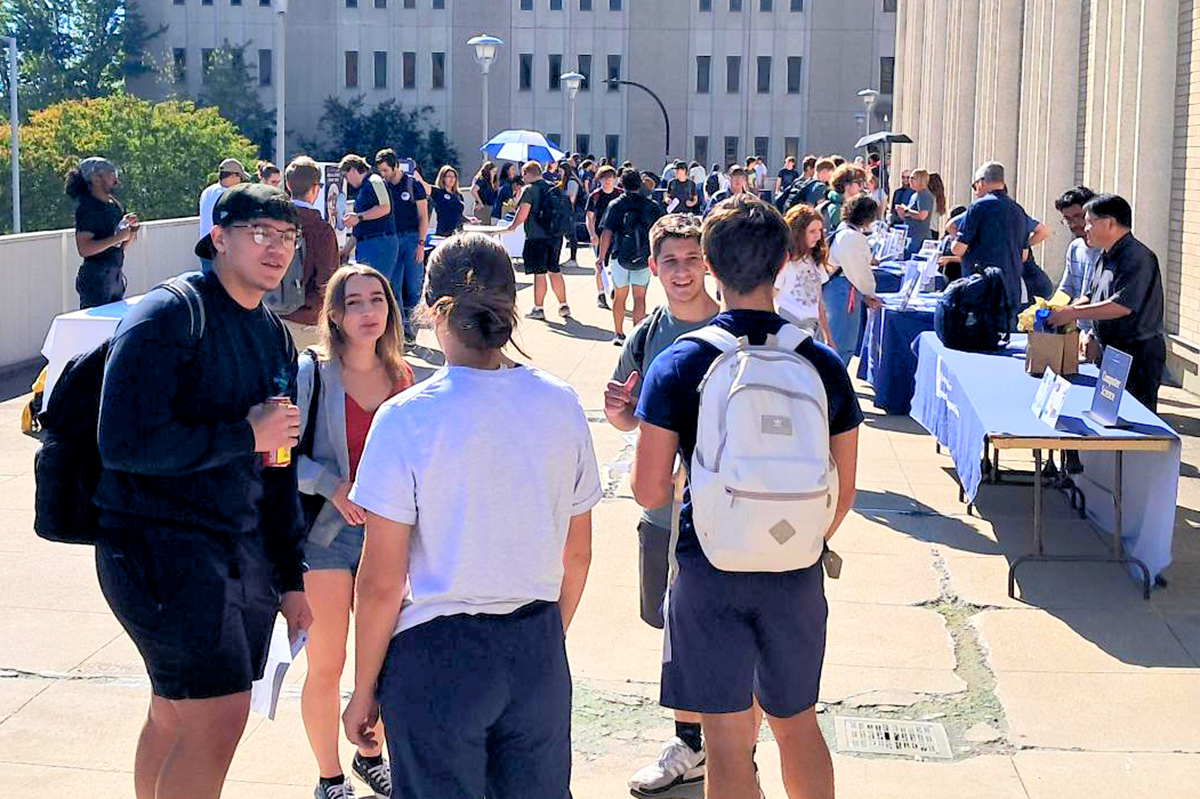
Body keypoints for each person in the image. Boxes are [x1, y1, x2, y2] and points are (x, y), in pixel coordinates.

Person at [342, 232, 601, 799]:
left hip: (437, 656)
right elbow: (577, 554)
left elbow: (382, 581)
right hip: (534, 644)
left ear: (434, 311)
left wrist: (364, 688)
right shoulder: (560, 403)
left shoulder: (406, 418)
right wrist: (539, 641)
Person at [631, 194, 861, 799]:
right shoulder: (822, 363)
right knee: (797, 724)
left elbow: (648, 488)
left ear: (709, 263)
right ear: (785, 262)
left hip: (710, 567)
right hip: (795, 569)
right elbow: (846, 491)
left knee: (729, 744)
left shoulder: (683, 361)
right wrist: (791, 532)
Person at [95, 183, 313, 799]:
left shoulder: (272, 334)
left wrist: (290, 577)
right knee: (215, 716)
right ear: (218, 238)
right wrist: (242, 434)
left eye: (287, 237)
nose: (276, 249)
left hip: (230, 553)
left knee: (175, 712)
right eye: (259, 234)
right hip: (155, 550)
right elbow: (124, 444)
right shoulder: (167, 315)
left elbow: (277, 465)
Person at [603, 215, 719, 797]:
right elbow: (624, 415)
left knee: (714, 626)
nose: (681, 271)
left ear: (708, 262)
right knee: (673, 627)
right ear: (651, 267)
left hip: (721, 516)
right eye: (669, 261)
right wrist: (619, 411)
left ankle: (713, 744)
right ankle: (695, 742)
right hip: (659, 512)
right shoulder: (647, 333)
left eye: (691, 258)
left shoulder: (733, 330)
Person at [297, 263, 414, 799]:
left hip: (387, 543)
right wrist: (331, 485)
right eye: (355, 303)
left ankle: (371, 754)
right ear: (335, 316)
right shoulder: (313, 374)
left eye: (377, 300)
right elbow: (279, 456)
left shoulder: (402, 376)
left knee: (382, 662)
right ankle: (329, 775)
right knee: (328, 663)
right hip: (324, 540)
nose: (368, 312)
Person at [1047, 194, 1167, 412]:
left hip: (1136, 354)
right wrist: (1065, 310)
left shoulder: (1138, 257)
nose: (1086, 228)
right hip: (1109, 351)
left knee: (1134, 420)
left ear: (1109, 223)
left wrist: (1073, 313)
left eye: (1090, 222)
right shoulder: (1106, 254)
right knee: (1107, 416)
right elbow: (1092, 294)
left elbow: (1120, 305)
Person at [950, 161, 1041, 321]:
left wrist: (952, 240)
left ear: (982, 182)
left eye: (975, 185)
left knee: (976, 339)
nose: (976, 190)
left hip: (980, 290)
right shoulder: (1018, 210)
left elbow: (958, 249)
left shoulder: (978, 207)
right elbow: (1024, 255)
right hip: (1010, 290)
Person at [599, 170, 666, 344]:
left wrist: (601, 257)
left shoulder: (616, 204)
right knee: (639, 297)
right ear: (640, 184)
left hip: (620, 255)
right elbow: (662, 230)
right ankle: (636, 337)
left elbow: (607, 231)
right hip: (643, 257)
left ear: (622, 184)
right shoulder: (651, 206)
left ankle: (618, 334)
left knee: (619, 296)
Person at [282, 157, 342, 351]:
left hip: (270, 315)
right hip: (307, 319)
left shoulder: (270, 223)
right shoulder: (321, 229)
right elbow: (328, 282)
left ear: (288, 185)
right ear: (316, 189)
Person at [67, 157, 138, 308]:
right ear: (96, 178)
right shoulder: (87, 208)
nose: (114, 176)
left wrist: (130, 230)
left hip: (116, 274)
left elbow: (121, 245)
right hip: (96, 278)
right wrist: (117, 237)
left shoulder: (114, 205)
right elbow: (84, 249)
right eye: (110, 172)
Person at [505, 160, 571, 320]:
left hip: (537, 236)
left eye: (523, 175)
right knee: (554, 270)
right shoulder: (553, 187)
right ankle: (563, 305)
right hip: (555, 235)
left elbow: (523, 212)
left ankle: (538, 308)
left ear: (527, 173)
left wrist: (513, 226)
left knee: (539, 273)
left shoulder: (529, 189)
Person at [375, 150, 429, 342]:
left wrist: (421, 244)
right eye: (380, 170)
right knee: (393, 286)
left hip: (412, 238)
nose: (383, 174)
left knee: (413, 287)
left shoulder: (413, 185)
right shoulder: (383, 186)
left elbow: (424, 216)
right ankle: (400, 331)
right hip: (392, 239)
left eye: (385, 170)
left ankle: (412, 330)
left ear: (395, 166)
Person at [825, 194, 883, 364]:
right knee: (843, 342)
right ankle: (835, 386)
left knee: (836, 340)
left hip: (837, 289)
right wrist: (870, 293)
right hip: (844, 291)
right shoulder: (852, 237)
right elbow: (859, 271)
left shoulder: (843, 230)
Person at [776, 203, 834, 343]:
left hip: (812, 330)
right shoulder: (784, 262)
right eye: (812, 231)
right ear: (799, 233)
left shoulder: (815, 259)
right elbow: (770, 296)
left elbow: (818, 301)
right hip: (788, 329)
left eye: (820, 230)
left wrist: (828, 336)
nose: (818, 236)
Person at [339, 153, 397, 279]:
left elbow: (385, 207)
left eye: (346, 176)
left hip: (379, 242)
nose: (346, 181)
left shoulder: (375, 181)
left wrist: (359, 217)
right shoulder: (362, 189)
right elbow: (358, 229)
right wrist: (345, 251)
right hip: (367, 244)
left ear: (353, 170)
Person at [1054, 186, 1102, 308]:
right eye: (1068, 219)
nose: (1073, 224)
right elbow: (1065, 290)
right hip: (1079, 324)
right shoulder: (1075, 248)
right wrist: (1047, 310)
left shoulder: (1108, 249)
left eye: (1078, 216)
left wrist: (1071, 311)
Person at [198, 158, 250, 271]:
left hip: (205, 247)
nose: (240, 182)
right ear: (233, 176)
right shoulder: (227, 195)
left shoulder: (207, 191)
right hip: (221, 249)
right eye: (240, 177)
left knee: (209, 283)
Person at [586, 165, 624, 309]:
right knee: (599, 265)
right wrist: (592, 234)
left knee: (616, 265)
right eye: (605, 177)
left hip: (617, 234)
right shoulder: (595, 196)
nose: (608, 180)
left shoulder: (620, 194)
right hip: (600, 234)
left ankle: (614, 290)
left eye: (610, 177)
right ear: (600, 179)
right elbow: (589, 217)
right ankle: (601, 294)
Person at [895, 168, 936, 257]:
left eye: (913, 178)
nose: (910, 180)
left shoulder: (924, 195)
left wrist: (906, 211)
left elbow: (922, 215)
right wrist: (901, 212)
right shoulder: (914, 195)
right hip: (910, 234)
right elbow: (908, 217)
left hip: (919, 238)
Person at [820, 164, 867, 232]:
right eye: (859, 183)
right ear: (846, 184)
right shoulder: (837, 209)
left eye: (863, 183)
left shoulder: (849, 205)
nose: (862, 187)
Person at [430, 166, 474, 237]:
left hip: (458, 233)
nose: (452, 179)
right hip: (444, 233)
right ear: (443, 178)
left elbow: (458, 215)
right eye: (449, 176)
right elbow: (424, 186)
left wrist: (469, 219)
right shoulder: (438, 193)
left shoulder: (459, 195)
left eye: (454, 177)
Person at [560, 161, 584, 267]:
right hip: (568, 212)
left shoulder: (572, 182)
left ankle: (573, 259)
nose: (559, 173)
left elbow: (571, 198)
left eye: (561, 171)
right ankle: (571, 259)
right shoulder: (568, 181)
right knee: (569, 234)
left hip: (571, 212)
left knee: (572, 235)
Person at [471, 162, 498, 226]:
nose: (494, 174)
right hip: (483, 208)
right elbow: (473, 190)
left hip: (489, 208)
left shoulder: (490, 182)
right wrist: (480, 203)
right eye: (493, 171)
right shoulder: (482, 179)